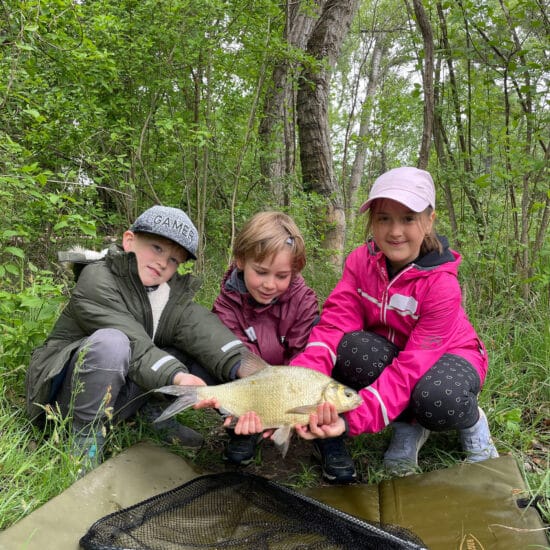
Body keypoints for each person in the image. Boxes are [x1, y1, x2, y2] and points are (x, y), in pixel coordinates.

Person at [234, 167, 499, 478]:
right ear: (372, 221)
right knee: (349, 348)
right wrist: (299, 386)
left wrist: (349, 421)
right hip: (391, 350)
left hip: (448, 356)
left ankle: (471, 422)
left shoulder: (441, 286)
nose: (395, 231)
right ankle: (407, 426)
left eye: (408, 218)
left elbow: (411, 368)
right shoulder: (361, 262)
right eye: (384, 218)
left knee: (437, 398)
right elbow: (332, 328)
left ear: (429, 220)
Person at [25, 205, 246, 475]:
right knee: (112, 343)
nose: (164, 262)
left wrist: (248, 370)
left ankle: (148, 415)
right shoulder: (96, 278)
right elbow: (135, 345)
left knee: (191, 343)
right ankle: (83, 440)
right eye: (156, 248)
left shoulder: (166, 295)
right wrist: (179, 378)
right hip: (61, 398)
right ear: (129, 240)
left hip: (116, 393)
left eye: (175, 260)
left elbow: (204, 330)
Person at [212, 211, 320, 467]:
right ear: (241, 261)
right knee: (212, 352)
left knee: (326, 355)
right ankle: (244, 429)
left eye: (281, 276)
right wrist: (258, 395)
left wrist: (292, 402)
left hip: (290, 380)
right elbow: (238, 356)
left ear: (294, 270)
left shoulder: (304, 300)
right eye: (261, 272)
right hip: (249, 381)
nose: (270, 284)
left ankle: (323, 434)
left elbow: (303, 355)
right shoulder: (226, 305)